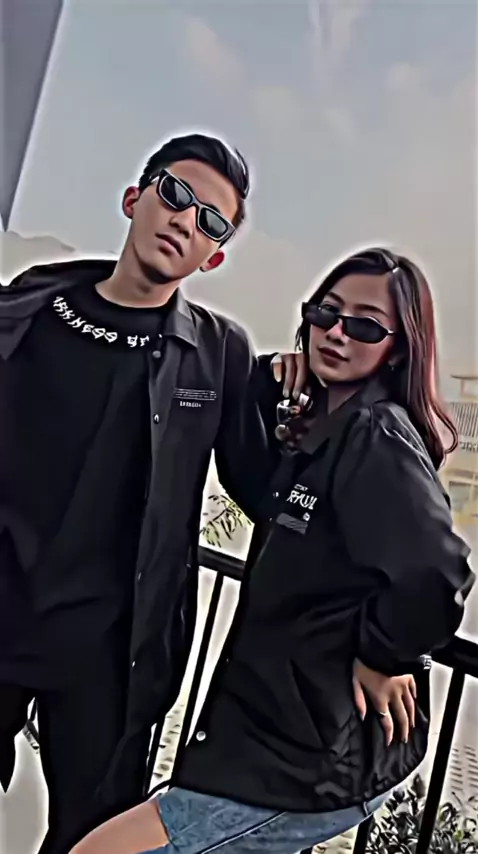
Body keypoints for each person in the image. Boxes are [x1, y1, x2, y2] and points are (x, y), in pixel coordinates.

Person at [71, 247, 474, 854]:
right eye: (325, 313)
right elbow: (259, 490)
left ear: (398, 348)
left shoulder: (376, 434)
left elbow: (438, 572)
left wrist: (384, 655)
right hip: (265, 738)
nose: (335, 333)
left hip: (308, 760)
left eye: (365, 326)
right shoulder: (323, 434)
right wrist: (264, 384)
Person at [0, 132, 282, 854]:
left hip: (110, 653)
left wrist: (383, 625)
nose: (185, 220)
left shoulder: (219, 354)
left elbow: (267, 491)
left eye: (210, 222)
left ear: (212, 257)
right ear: (134, 199)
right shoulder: (31, 303)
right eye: (175, 194)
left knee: (89, 839)